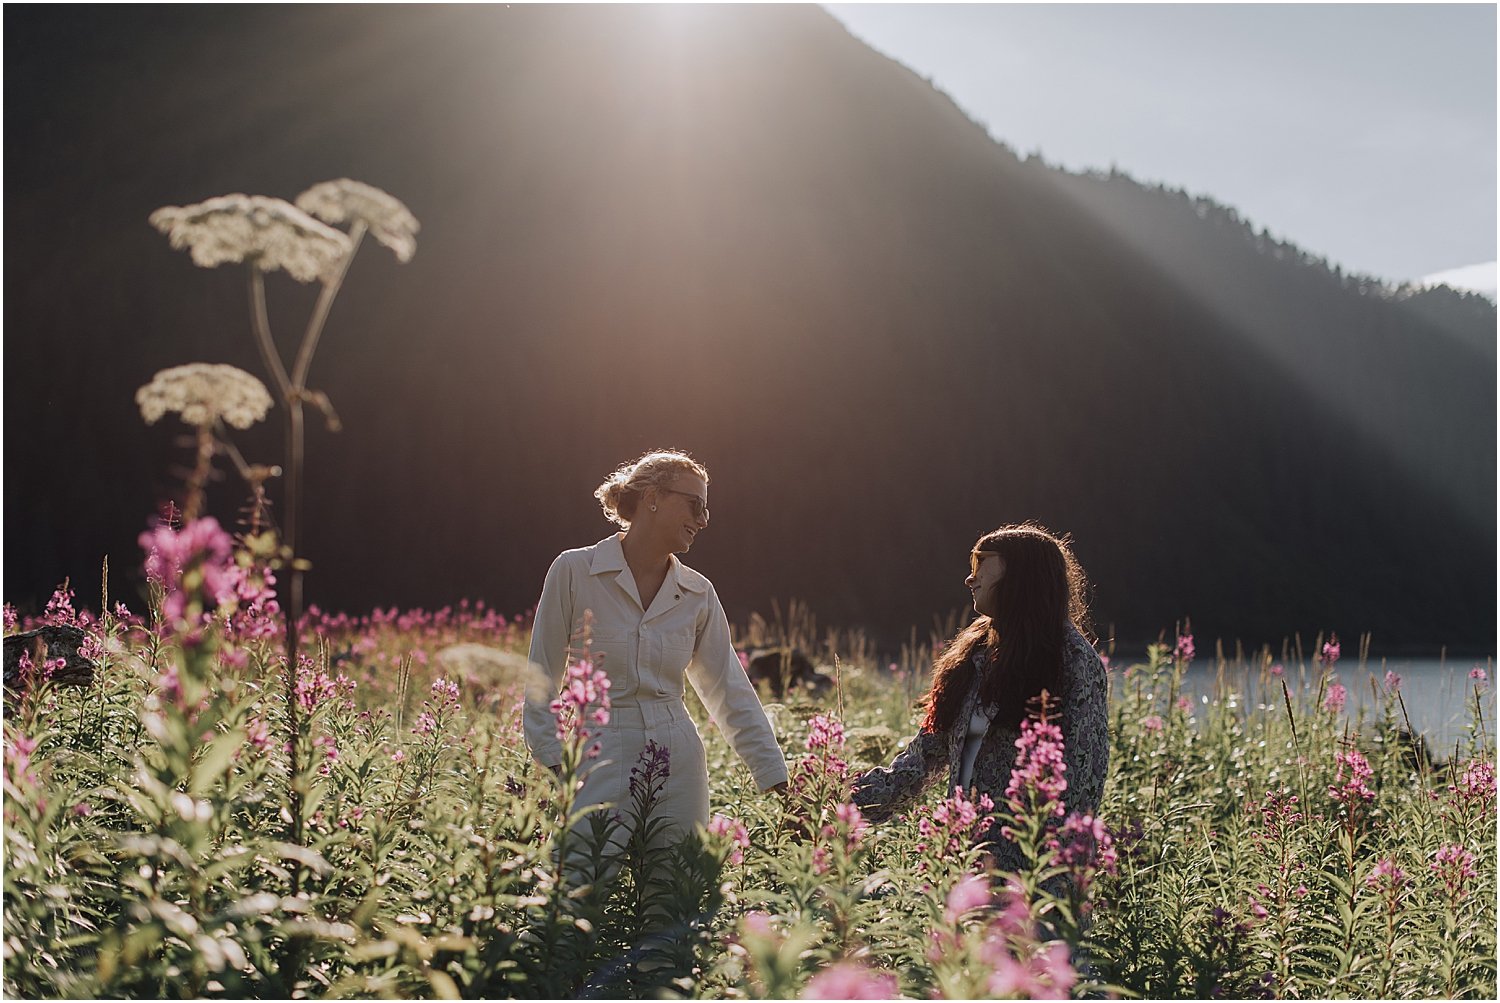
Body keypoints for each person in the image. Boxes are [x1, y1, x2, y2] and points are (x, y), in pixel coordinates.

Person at [524, 449, 789, 853]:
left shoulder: (698, 592)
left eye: (706, 510)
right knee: (580, 891)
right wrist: (556, 761)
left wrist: (774, 777)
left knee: (677, 896)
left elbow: (729, 690)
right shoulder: (574, 571)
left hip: (678, 762)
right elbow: (540, 676)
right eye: (694, 505)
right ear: (652, 498)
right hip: (595, 756)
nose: (702, 520)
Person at [850, 523, 1108, 872]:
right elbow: (924, 758)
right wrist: (846, 802)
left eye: (983, 565)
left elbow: (1082, 781)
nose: (970, 580)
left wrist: (1048, 876)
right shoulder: (975, 655)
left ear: (1020, 576)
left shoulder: (1073, 661)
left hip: (1034, 874)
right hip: (964, 859)